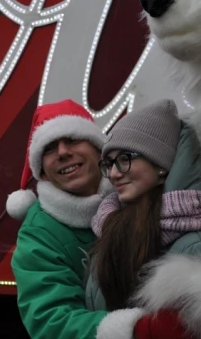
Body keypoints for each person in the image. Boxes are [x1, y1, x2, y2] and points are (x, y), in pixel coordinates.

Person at [9, 99, 152, 339]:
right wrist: (137, 330)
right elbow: (52, 320)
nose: (63, 152)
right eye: (49, 148)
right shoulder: (38, 235)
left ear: (99, 150)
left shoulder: (138, 195)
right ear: (42, 170)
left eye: (73, 139)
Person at [85, 99, 201, 336]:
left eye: (125, 159)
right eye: (109, 163)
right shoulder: (108, 226)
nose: (114, 173)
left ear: (161, 164)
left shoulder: (194, 243)